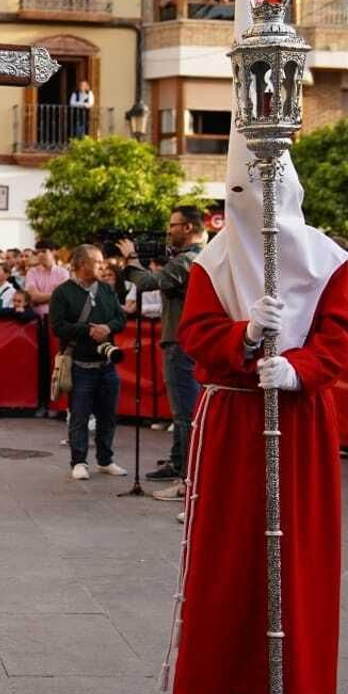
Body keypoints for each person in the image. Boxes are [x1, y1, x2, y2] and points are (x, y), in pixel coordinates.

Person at [163, 135, 348, 694]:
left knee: (298, 555)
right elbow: (195, 333)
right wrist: (244, 338)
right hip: (234, 420)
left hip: (299, 421)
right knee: (229, 558)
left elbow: (344, 335)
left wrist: (300, 368)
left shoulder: (328, 259)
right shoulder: (212, 262)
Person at [119, 206, 207, 493]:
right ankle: (178, 461)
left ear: (188, 228)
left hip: (181, 341)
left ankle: (185, 475)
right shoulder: (198, 257)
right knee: (184, 409)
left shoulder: (188, 261)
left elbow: (148, 283)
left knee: (184, 411)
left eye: (173, 225)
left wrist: (131, 257)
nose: (168, 230)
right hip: (187, 339)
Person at [49, 244, 128, 481]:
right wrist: (87, 331)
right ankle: (79, 461)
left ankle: (105, 460)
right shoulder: (63, 292)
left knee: (108, 416)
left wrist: (108, 328)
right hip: (80, 365)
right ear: (82, 264)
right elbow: (58, 327)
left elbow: (120, 318)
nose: (103, 266)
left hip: (107, 365)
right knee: (80, 416)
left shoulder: (106, 289)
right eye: (97, 262)